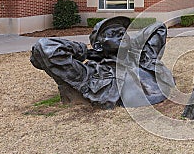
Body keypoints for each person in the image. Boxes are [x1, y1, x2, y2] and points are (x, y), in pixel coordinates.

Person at [30, 16, 174, 109]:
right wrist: (86, 52)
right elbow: (45, 47)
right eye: (112, 34)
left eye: (123, 32)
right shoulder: (94, 74)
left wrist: (131, 44)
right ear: (99, 46)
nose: (121, 35)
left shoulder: (145, 58)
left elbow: (158, 27)